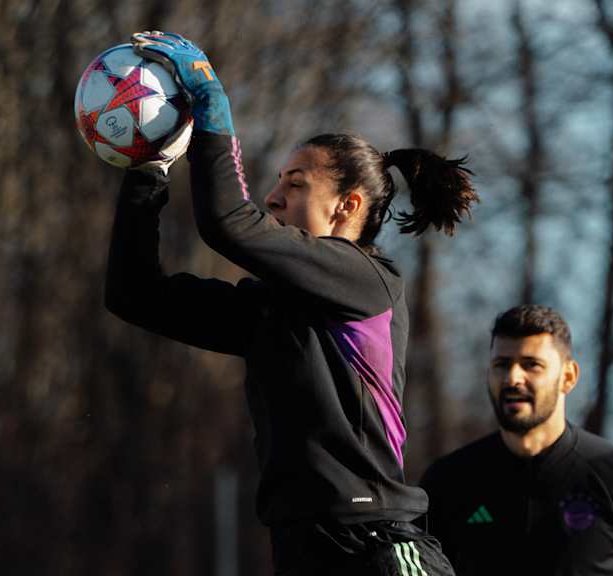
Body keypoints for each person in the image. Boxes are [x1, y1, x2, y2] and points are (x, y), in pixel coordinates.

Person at [104, 31, 479, 575]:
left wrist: (211, 101)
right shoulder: (268, 310)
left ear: (347, 206)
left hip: (377, 546)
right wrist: (147, 173)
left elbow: (229, 223)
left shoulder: (367, 280)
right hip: (303, 547)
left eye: (295, 184)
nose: (273, 197)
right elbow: (134, 295)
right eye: (277, 182)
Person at [419, 305, 613, 575]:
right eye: (502, 365)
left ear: (568, 376)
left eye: (532, 365)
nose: (513, 378)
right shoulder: (447, 483)